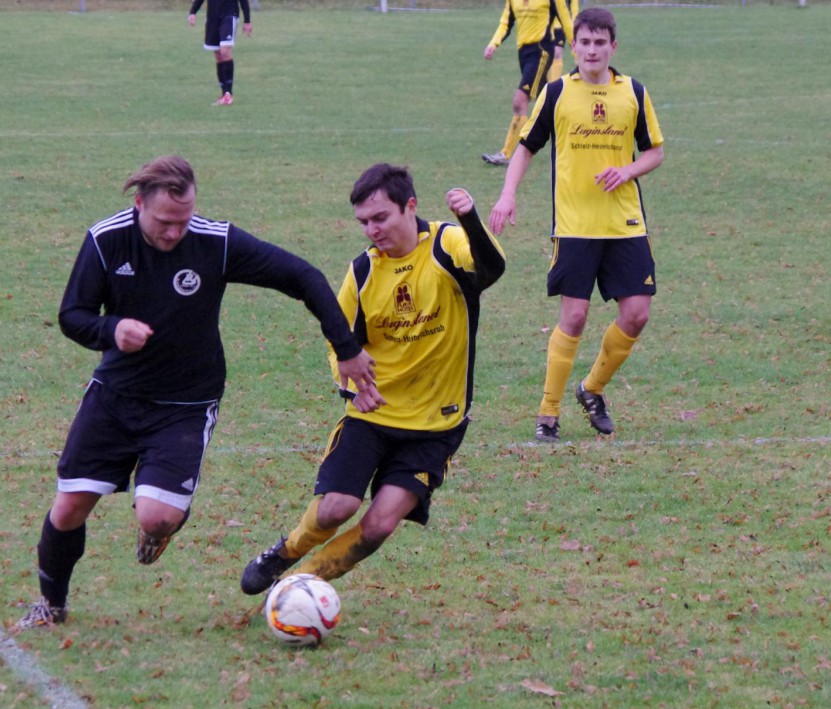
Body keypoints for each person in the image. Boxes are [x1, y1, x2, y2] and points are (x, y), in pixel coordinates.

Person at [13, 157, 376, 631]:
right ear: (140, 203)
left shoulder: (214, 242)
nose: (173, 233)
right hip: (115, 396)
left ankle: (159, 527)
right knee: (69, 508)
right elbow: (72, 315)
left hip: (185, 405)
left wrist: (346, 349)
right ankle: (51, 604)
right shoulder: (106, 240)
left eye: (182, 221)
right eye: (164, 222)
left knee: (158, 517)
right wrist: (111, 328)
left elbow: (302, 276)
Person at [240, 164, 505, 594]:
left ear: (410, 207)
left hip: (434, 427)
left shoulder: (446, 244)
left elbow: (490, 271)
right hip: (373, 414)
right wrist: (349, 384)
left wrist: (471, 218)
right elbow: (338, 342)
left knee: (380, 524)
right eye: (364, 222)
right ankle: (284, 553)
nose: (371, 230)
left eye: (380, 218)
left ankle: (296, 586)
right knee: (333, 510)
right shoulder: (362, 273)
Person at [489, 7, 665, 442]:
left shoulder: (634, 93)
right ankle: (547, 412)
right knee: (575, 315)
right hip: (574, 224)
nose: (591, 50)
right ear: (574, 45)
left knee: (637, 314)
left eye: (599, 43)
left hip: (625, 223)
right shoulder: (557, 92)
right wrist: (508, 194)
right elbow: (526, 147)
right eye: (583, 42)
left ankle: (592, 389)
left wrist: (628, 171)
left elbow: (655, 152)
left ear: (612, 47)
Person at [481, 0, 576, 166]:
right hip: (523, 54)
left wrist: (577, 52)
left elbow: (566, 20)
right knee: (548, 104)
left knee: (520, 100)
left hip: (541, 51)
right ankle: (575, 137)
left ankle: (506, 153)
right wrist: (493, 44)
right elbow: (505, 23)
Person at [188, 0, 252, 106]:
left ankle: (228, 94)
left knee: (225, 51)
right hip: (212, 17)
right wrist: (193, 12)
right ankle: (224, 94)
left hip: (229, 15)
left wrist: (247, 21)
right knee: (218, 55)